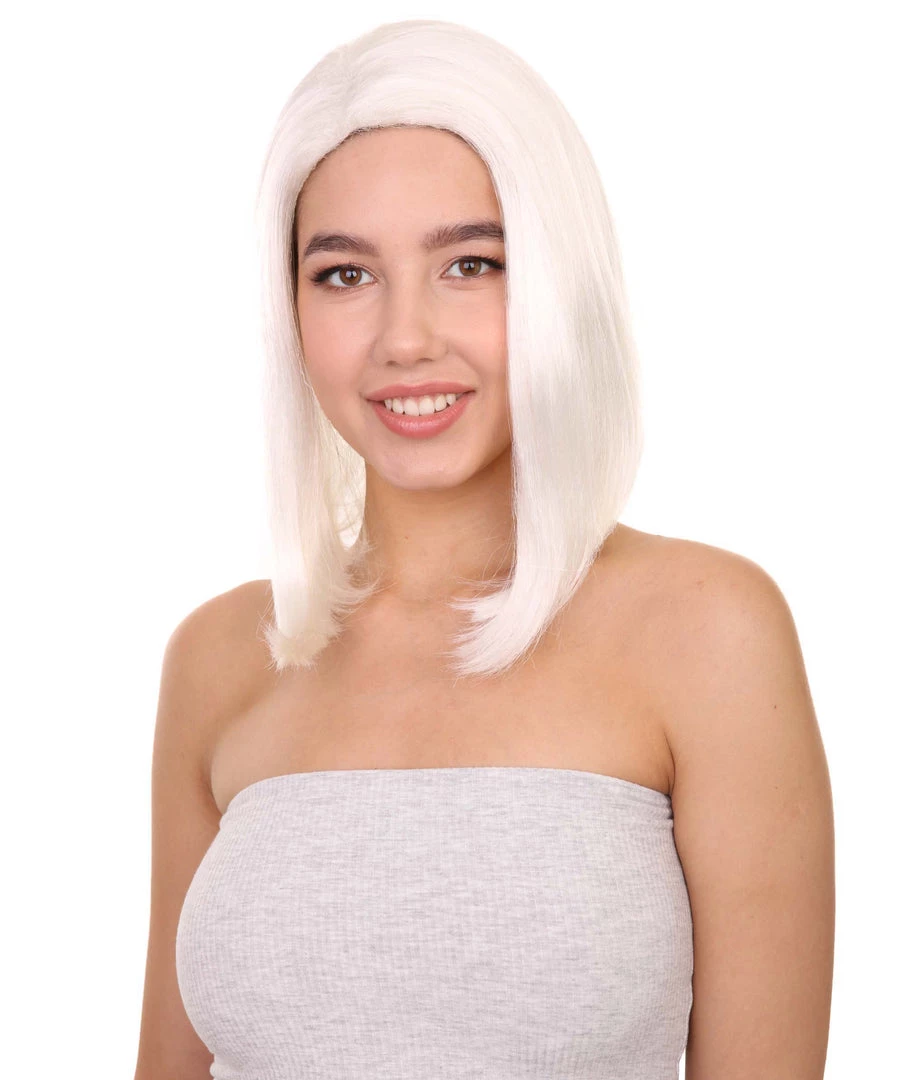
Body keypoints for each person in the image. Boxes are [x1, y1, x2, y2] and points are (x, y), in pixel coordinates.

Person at [133, 18, 835, 1080]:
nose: (404, 338)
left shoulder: (705, 632)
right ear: (291, 312)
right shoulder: (222, 656)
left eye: (470, 264)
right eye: (343, 275)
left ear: (556, 280)